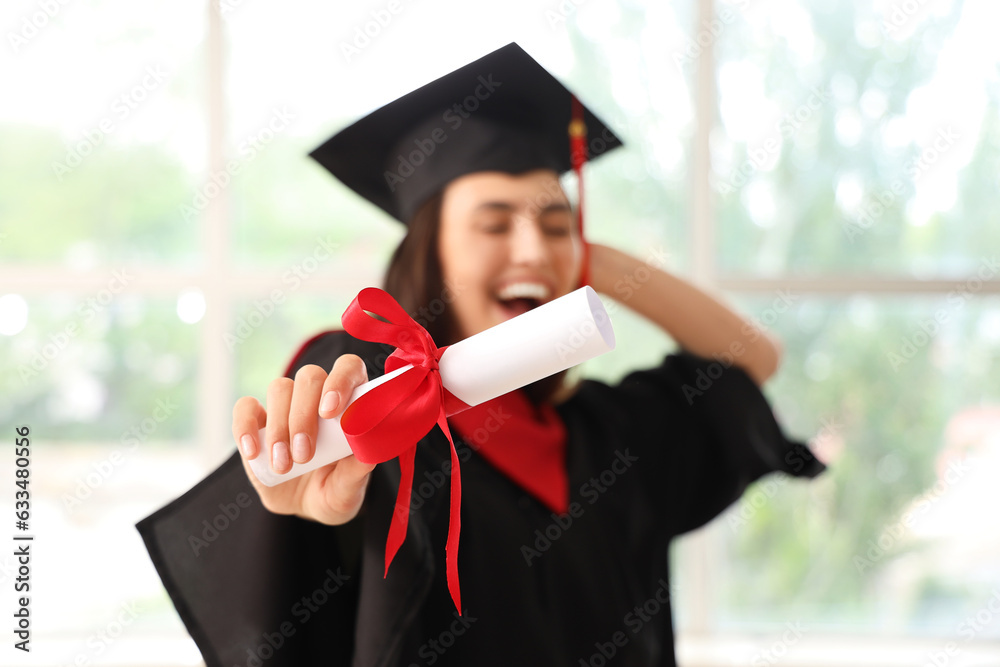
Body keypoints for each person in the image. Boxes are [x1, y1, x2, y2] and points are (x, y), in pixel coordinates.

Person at [137, 42, 825, 667]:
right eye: (494, 221)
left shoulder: (608, 436)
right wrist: (304, 510)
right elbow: (300, 529)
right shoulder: (380, 406)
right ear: (429, 248)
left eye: (558, 227)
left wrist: (590, 258)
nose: (531, 249)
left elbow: (752, 358)